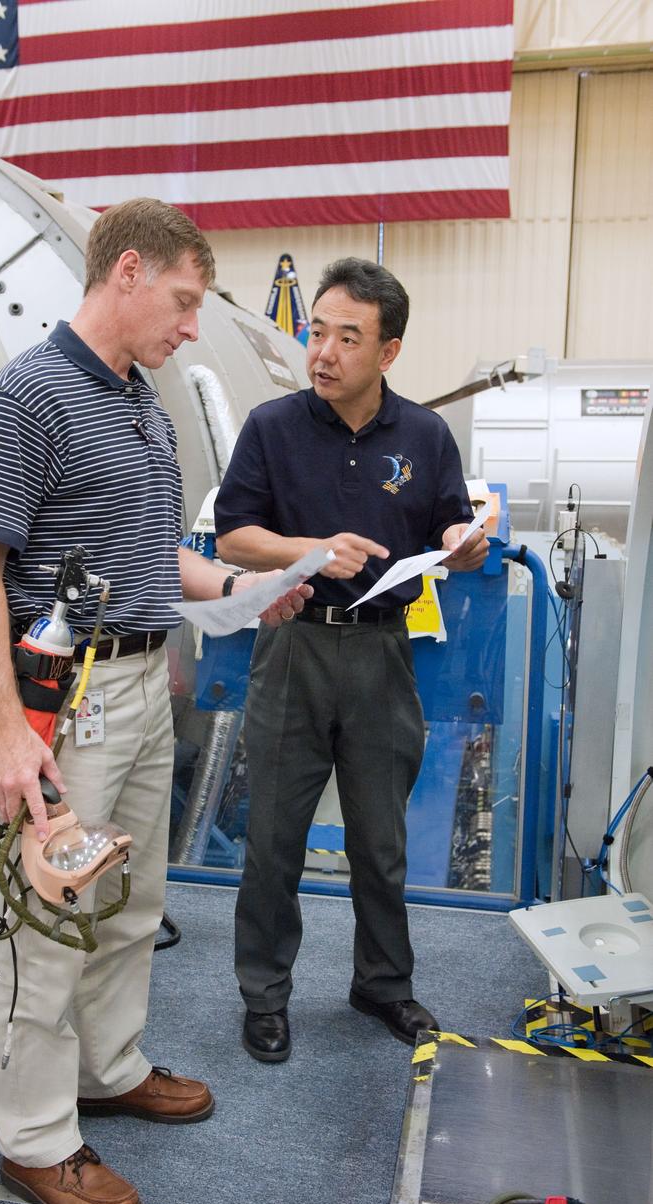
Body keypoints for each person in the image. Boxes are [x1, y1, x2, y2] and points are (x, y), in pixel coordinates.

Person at [0, 198, 309, 1204]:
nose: (191, 325)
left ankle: (106, 1067)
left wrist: (240, 591)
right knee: (46, 921)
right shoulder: (28, 396)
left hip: (145, 687)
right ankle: (34, 1137)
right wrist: (8, 728)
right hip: (63, 699)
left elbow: (156, 557)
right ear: (129, 272)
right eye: (185, 302)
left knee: (130, 902)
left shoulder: (140, 400)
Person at [214, 257, 488, 1064]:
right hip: (293, 646)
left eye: (346, 337)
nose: (323, 352)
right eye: (316, 333)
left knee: (380, 837)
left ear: (388, 352)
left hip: (381, 654)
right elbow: (233, 535)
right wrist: (309, 548)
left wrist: (460, 543)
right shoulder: (271, 426)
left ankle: (381, 985)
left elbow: (451, 532)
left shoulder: (426, 436)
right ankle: (263, 994)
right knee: (273, 837)